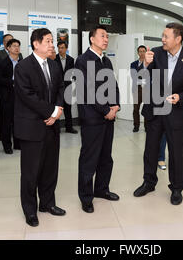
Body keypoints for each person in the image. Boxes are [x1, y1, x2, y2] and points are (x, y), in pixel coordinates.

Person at [133, 22, 183, 205]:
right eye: (162, 36)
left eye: (166, 36)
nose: (162, 39)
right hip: (154, 111)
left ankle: (177, 188)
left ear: (178, 39)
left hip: (176, 113)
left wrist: (181, 96)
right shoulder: (155, 54)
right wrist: (145, 64)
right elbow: (140, 77)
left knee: (176, 152)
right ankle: (149, 183)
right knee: (151, 151)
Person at [14, 28, 66, 227]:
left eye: (52, 41)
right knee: (30, 171)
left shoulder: (53, 65)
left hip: (51, 126)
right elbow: (27, 96)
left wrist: (58, 109)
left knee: (50, 168)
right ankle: (30, 210)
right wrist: (51, 112)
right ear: (36, 43)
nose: (52, 44)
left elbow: (61, 87)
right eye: (48, 41)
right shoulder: (23, 67)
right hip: (32, 126)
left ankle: (48, 203)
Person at [75, 25, 120, 214]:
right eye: (102, 36)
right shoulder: (83, 61)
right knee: (89, 159)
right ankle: (86, 197)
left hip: (108, 117)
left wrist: (116, 105)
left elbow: (113, 85)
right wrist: (104, 110)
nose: (106, 39)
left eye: (107, 36)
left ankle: (102, 189)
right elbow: (87, 91)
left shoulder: (106, 61)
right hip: (92, 118)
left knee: (105, 157)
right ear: (92, 39)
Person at [0, 39, 21, 154]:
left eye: (18, 46)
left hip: (20, 97)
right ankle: (7, 146)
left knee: (18, 121)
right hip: (6, 96)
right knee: (6, 122)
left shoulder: (23, 62)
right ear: (8, 48)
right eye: (14, 46)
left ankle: (18, 144)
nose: (17, 48)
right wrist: (13, 82)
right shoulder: (2, 62)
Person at [55, 41, 77, 134]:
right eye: (59, 48)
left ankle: (69, 127)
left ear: (66, 48)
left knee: (68, 109)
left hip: (68, 87)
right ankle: (56, 128)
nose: (60, 49)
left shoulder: (71, 60)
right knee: (56, 108)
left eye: (62, 47)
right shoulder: (54, 58)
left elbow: (73, 73)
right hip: (57, 88)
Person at [130, 45, 147, 133]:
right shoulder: (133, 64)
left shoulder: (150, 64)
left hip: (147, 90)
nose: (142, 53)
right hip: (137, 89)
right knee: (136, 109)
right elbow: (134, 77)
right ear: (138, 53)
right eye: (140, 51)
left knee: (147, 108)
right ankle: (136, 126)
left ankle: (147, 126)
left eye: (144, 51)